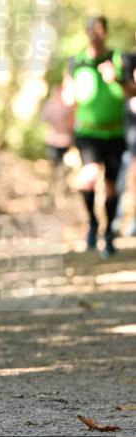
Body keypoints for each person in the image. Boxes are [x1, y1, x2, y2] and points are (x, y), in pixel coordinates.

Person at [62, 16, 127, 258]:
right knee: (88, 178)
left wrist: (116, 79)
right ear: (86, 32)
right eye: (90, 29)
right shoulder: (75, 61)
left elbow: (133, 90)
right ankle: (92, 223)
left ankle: (108, 231)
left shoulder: (120, 59)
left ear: (105, 32)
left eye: (99, 30)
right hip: (87, 132)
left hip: (114, 132)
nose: (94, 34)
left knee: (111, 186)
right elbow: (67, 95)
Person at [40, 76, 75, 210]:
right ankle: (53, 196)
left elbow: (73, 122)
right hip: (54, 141)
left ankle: (61, 193)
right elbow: (44, 118)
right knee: (55, 168)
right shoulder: (51, 105)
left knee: (63, 168)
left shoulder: (69, 104)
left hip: (66, 141)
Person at [114, 34, 136, 237]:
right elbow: (128, 90)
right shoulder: (128, 60)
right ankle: (117, 217)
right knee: (123, 174)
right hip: (130, 131)